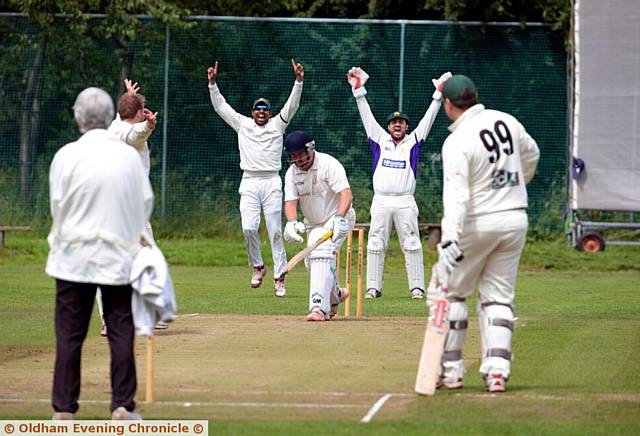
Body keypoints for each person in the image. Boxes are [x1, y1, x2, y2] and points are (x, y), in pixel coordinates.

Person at [46, 87, 153, 420]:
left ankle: (63, 409)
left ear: (78, 120)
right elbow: (144, 204)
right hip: (117, 256)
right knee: (121, 329)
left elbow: (57, 206)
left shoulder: (65, 155)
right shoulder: (127, 157)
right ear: (110, 118)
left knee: (69, 335)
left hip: (72, 257)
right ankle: (122, 405)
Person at [430, 74, 540, 393]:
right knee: (498, 297)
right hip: (515, 219)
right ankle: (496, 373)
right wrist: (515, 187)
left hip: (478, 222)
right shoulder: (507, 121)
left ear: (448, 105)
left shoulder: (458, 140)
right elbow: (531, 155)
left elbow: (457, 196)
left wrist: (449, 238)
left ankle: (450, 371)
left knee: (449, 292)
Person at [346, 67, 451, 300]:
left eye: (401, 123)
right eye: (393, 123)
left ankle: (416, 288)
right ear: (388, 126)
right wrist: (358, 91)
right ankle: (373, 287)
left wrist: (438, 95)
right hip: (381, 200)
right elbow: (366, 115)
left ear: (405, 126)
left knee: (412, 243)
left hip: (405, 201)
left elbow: (428, 120)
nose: (397, 125)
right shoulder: (378, 139)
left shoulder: (413, 141)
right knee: (374, 243)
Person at [208, 59, 304, 297]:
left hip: (272, 181)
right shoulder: (243, 124)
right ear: (252, 112)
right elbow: (222, 107)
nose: (261, 112)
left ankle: (280, 277)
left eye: (265, 109)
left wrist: (299, 81)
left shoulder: (277, 125)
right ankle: (258, 265)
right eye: (257, 109)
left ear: (269, 113)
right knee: (249, 227)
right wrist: (212, 84)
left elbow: (292, 105)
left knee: (274, 231)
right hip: (249, 180)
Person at [99, 79, 165, 334]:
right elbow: (134, 133)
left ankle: (109, 319)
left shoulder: (111, 128)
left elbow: (124, 119)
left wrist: (130, 96)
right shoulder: (130, 133)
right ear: (137, 113)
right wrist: (149, 124)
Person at [282, 130, 355, 321]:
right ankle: (336, 296)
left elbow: (346, 194)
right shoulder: (291, 173)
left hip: (338, 216)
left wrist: (340, 218)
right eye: (293, 156)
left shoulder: (328, 164)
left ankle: (318, 308)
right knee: (313, 263)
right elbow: (290, 201)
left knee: (320, 251)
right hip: (313, 224)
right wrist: (291, 222)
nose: (297, 159)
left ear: (310, 148)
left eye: (300, 153)